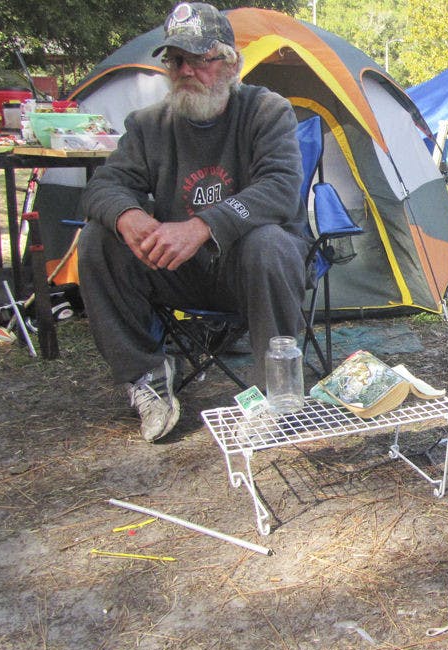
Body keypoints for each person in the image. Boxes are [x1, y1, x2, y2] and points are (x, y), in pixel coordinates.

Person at [79, 2, 311, 442]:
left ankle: (272, 394)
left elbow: (281, 189)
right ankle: (147, 376)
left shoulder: (266, 110)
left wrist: (203, 226)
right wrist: (126, 213)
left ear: (229, 62)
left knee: (270, 243)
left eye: (197, 59)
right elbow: (103, 186)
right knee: (97, 239)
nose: (184, 70)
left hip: (247, 268)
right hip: (180, 269)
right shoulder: (148, 125)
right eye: (175, 60)